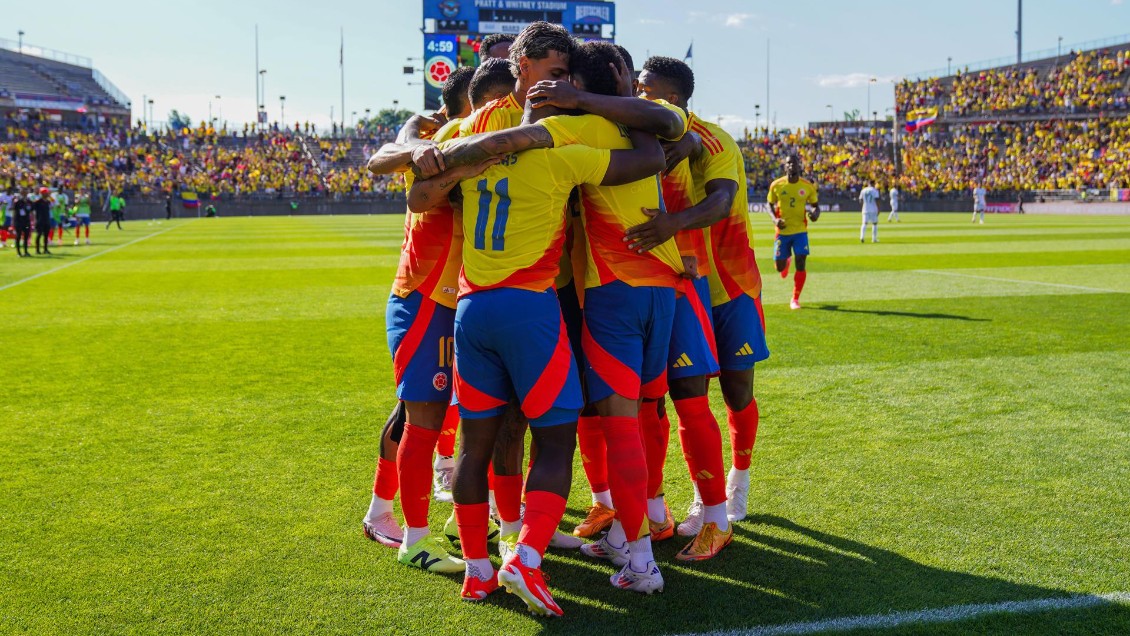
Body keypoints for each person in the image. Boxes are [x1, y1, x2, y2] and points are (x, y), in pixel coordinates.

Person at [410, 98, 665, 614]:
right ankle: (525, 556)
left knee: (473, 445)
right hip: (530, 310)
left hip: (471, 309)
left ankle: (478, 571)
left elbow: (417, 196)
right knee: (554, 440)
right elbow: (648, 160)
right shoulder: (560, 157)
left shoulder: (466, 159)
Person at [477, 41, 686, 591]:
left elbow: (524, 141)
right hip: (663, 287)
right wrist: (610, 95)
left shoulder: (577, 130)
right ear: (622, 77)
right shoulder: (649, 125)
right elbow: (664, 127)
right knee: (646, 413)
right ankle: (641, 525)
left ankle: (640, 559)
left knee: (617, 426)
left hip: (611, 290)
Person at [360, 59, 513, 565]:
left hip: (449, 298)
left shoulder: (447, 136)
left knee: (426, 415)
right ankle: (414, 539)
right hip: (426, 297)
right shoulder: (451, 138)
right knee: (421, 419)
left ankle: (402, 519)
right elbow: (383, 157)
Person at [767, 155, 820, 310]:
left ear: (799, 166)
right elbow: (769, 204)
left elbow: (816, 205)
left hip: (800, 231)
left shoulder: (807, 186)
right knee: (779, 267)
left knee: (801, 262)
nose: (791, 166)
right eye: (789, 163)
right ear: (785, 167)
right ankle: (786, 261)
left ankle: (795, 299)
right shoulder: (777, 185)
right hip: (782, 231)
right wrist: (774, 219)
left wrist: (815, 214)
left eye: (794, 163)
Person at [33, 188, 53, 255]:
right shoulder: (37, 202)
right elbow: (33, 210)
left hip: (46, 220)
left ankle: (45, 249)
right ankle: (37, 250)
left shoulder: (48, 202)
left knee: (46, 235)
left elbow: (54, 203)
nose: (47, 194)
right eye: (46, 193)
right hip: (39, 220)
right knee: (39, 235)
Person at [12, 190, 33, 257]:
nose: (24, 194)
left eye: (25, 192)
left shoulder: (29, 201)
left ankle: (26, 251)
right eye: (23, 192)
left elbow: (31, 208)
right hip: (19, 221)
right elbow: (14, 209)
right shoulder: (17, 201)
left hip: (26, 221)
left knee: (26, 236)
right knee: (18, 236)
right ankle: (18, 252)